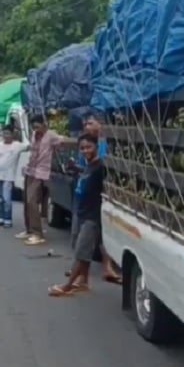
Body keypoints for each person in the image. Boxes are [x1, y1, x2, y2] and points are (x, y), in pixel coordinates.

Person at [66, 114, 121, 284]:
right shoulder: (88, 153)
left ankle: (73, 281)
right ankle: (83, 275)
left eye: (90, 123)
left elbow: (102, 175)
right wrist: (78, 169)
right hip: (82, 202)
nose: (86, 126)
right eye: (85, 123)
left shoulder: (103, 151)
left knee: (86, 243)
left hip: (92, 208)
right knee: (82, 240)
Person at [50, 133, 106, 296]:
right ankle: (83, 281)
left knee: (82, 251)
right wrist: (77, 169)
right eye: (82, 148)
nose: (85, 151)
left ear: (97, 147)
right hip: (81, 212)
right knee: (80, 248)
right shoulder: (89, 166)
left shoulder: (100, 167)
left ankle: (68, 286)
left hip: (91, 216)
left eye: (88, 147)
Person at [17, 113, 73, 246]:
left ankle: (38, 233)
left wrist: (82, 140)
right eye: (34, 127)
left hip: (41, 172)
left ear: (44, 124)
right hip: (30, 170)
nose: (36, 129)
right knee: (26, 201)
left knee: (32, 201)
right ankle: (29, 229)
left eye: (37, 126)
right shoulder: (34, 135)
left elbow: (64, 141)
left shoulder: (50, 136)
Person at [0, 126, 22, 228]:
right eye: (4, 133)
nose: (6, 136)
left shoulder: (17, 145)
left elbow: (29, 145)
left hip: (8, 177)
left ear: (12, 134)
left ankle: (8, 220)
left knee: (7, 199)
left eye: (8, 133)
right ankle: (0, 219)